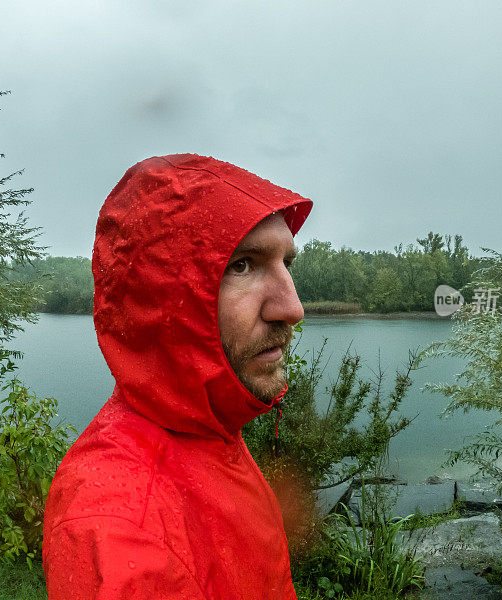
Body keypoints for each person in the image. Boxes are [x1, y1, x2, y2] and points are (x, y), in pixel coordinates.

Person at [42, 154, 313, 599]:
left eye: (288, 264)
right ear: (163, 296)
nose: (292, 308)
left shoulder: (210, 429)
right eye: (242, 264)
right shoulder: (122, 528)